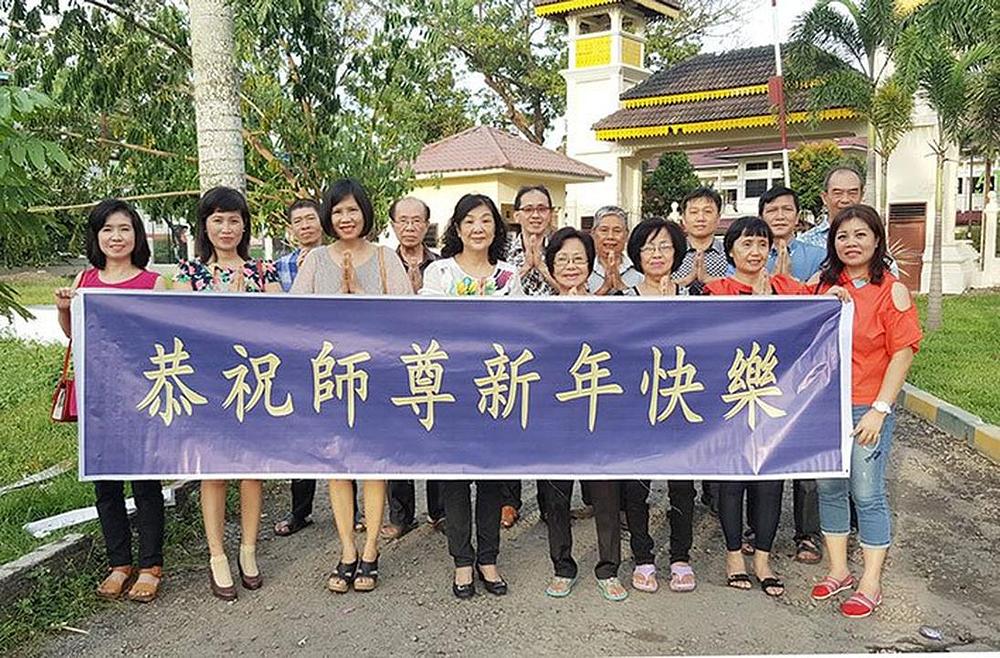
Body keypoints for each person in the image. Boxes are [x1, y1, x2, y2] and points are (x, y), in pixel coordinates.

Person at [704, 217, 849, 598]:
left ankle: (763, 560)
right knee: (732, 481)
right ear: (730, 250)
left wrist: (834, 296)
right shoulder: (715, 291)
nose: (755, 252)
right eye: (746, 244)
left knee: (770, 481)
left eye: (761, 244)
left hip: (776, 403)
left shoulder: (788, 288)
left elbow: (821, 307)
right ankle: (734, 557)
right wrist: (758, 307)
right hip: (730, 404)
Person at [291, 178, 411, 593]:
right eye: (338, 210)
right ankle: (346, 550)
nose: (346, 218)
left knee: (373, 466)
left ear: (365, 214)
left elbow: (407, 318)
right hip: (329, 379)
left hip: (376, 377)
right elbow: (293, 319)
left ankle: (371, 549)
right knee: (337, 467)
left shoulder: (385, 258)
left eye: (353, 210)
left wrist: (360, 295)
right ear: (329, 215)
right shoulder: (314, 260)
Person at [811, 205, 922, 619]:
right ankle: (839, 570)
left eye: (860, 235)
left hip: (866, 406)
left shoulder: (892, 290)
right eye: (842, 236)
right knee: (829, 488)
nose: (851, 243)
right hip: (825, 408)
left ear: (877, 240)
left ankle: (870, 581)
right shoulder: (824, 286)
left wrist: (880, 409)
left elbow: (902, 353)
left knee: (866, 492)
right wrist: (822, 302)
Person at [55, 199, 166, 603]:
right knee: (106, 485)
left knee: (146, 483)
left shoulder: (154, 283)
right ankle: (119, 564)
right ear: (96, 236)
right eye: (107, 229)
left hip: (141, 397)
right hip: (98, 399)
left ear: (137, 235)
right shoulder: (85, 280)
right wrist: (64, 309)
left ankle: (151, 566)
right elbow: (75, 335)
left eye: (124, 229)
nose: (116, 237)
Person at [172, 186, 281, 601]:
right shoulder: (188, 273)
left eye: (234, 220)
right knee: (213, 471)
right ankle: (216, 554)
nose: (226, 228)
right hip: (207, 385)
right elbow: (183, 325)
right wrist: (224, 305)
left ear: (245, 226)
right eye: (217, 220)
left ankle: (248, 550)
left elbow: (282, 324)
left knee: (252, 470)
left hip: (253, 383)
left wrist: (244, 307)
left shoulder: (263, 272)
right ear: (205, 226)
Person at [420, 193, 521, 598]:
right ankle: (462, 560)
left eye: (486, 220)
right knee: (455, 477)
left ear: (496, 227)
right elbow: (428, 325)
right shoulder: (439, 273)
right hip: (451, 387)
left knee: (491, 476)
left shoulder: (509, 277)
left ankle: (488, 558)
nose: (478, 228)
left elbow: (521, 329)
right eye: (470, 221)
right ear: (458, 229)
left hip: (495, 385)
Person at [534, 227, 628, 601]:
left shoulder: (610, 309)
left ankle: (608, 568)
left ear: (590, 265)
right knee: (557, 497)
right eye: (563, 260)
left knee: (606, 496)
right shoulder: (535, 312)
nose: (571, 266)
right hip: (554, 419)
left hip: (600, 415)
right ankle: (563, 566)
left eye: (578, 259)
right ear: (551, 266)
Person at [745, 186, 827, 565]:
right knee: (756, 450)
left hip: (803, 369)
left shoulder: (816, 254)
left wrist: (828, 294)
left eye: (786, 210)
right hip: (757, 370)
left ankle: (807, 534)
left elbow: (823, 297)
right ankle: (755, 529)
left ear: (797, 215)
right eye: (772, 210)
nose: (779, 216)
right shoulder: (746, 252)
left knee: (804, 455)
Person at [618, 218, 698, 594]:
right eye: (648, 247)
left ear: (676, 252)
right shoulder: (621, 300)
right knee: (636, 487)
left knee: (682, 485)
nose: (656, 254)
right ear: (636, 255)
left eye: (664, 246)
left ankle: (681, 557)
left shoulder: (695, 298)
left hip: (682, 403)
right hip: (636, 408)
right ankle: (643, 557)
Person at [380, 195, 445, 541]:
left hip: (435, 358)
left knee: (437, 432)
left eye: (416, 220)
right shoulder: (380, 263)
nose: (409, 227)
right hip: (393, 359)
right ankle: (401, 515)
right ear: (393, 225)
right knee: (397, 437)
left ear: (426, 224)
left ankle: (440, 511)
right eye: (402, 220)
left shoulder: (443, 265)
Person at [499, 185, 558, 528]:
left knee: (547, 424)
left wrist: (543, 269)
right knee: (510, 421)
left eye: (542, 208)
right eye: (528, 209)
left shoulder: (563, 245)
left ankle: (550, 501)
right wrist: (524, 270)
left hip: (552, 347)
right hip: (512, 347)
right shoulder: (501, 248)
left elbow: (574, 287)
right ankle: (509, 500)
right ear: (517, 213)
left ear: (550, 212)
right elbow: (495, 293)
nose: (536, 215)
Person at [273, 198, 325, 538]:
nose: (305, 225)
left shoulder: (337, 257)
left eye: (310, 218)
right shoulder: (280, 267)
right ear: (291, 229)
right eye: (298, 221)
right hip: (297, 358)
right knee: (302, 436)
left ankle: (352, 511)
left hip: (335, 357)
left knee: (345, 429)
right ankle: (300, 511)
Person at [674, 187, 729, 296]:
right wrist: (686, 280)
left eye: (707, 212)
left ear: (718, 218)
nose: (700, 218)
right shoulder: (671, 253)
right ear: (683, 219)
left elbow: (743, 284)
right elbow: (654, 286)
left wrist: (709, 279)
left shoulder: (732, 254)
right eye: (694, 212)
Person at [798, 165, 864, 249]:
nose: (845, 200)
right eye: (838, 193)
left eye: (852, 193)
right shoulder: (805, 243)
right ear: (824, 198)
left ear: (861, 196)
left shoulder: (873, 239)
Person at [587, 205, 642, 295]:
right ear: (593, 234)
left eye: (617, 231)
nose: (610, 236)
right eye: (604, 230)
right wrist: (604, 288)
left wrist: (622, 287)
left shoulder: (639, 271)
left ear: (626, 235)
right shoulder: (583, 271)